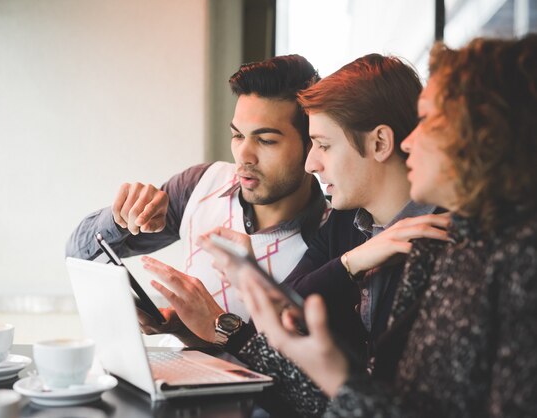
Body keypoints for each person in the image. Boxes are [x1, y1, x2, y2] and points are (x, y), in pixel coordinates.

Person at [227, 35, 537, 418]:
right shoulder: (451, 243)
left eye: (431, 121)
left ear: (488, 135)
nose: (411, 141)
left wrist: (338, 379)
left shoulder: (496, 251)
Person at [202, 53, 449, 416]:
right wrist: (352, 262)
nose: (310, 163)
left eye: (324, 145)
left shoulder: (446, 242)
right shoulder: (345, 225)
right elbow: (291, 309)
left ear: (380, 143)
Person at [65, 54, 329, 346]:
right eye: (237, 136)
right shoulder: (201, 185)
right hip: (179, 378)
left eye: (265, 140)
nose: (244, 156)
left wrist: (216, 325)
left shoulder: (332, 237)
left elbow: (297, 369)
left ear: (310, 145)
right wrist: (120, 220)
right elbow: (79, 253)